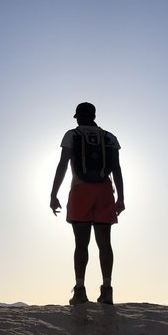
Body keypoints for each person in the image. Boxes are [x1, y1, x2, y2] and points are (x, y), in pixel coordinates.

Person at [50, 102, 125, 305]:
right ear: (94, 115)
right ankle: (107, 290)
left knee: (81, 244)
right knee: (105, 243)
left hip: (80, 190)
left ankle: (80, 290)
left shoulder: (72, 135)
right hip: (104, 191)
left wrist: (53, 194)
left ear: (78, 117)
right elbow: (116, 168)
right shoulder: (109, 137)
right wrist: (121, 197)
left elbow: (63, 165)